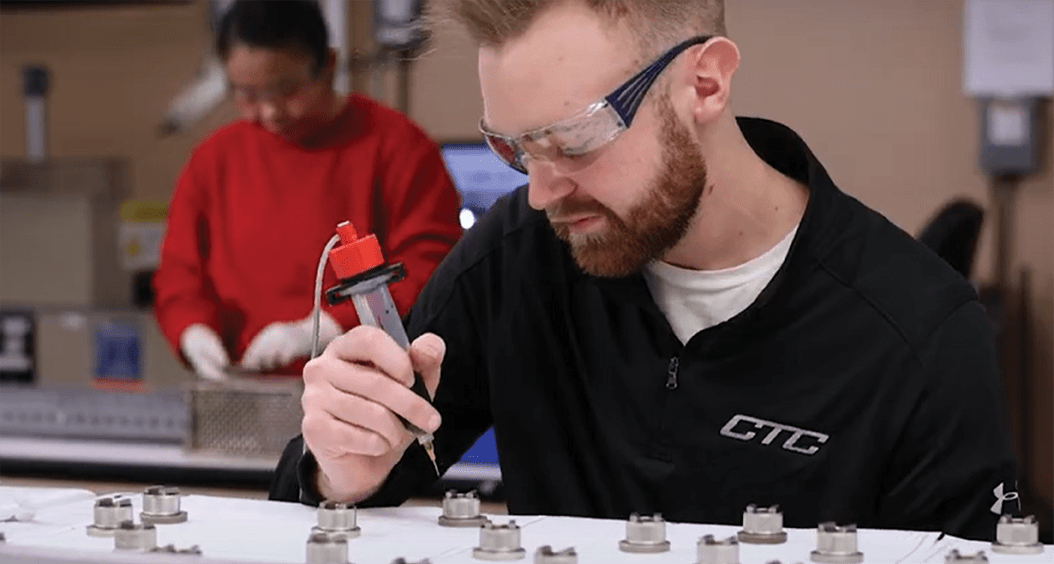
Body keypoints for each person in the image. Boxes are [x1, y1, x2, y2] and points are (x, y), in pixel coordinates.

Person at [269, 0, 1019, 541]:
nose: (541, 192)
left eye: (575, 141)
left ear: (705, 84)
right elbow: (348, 484)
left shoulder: (918, 332)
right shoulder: (515, 257)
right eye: (515, 148)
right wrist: (341, 467)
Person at [154, 0, 462, 380]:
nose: (270, 112)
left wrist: (327, 327)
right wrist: (192, 331)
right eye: (248, 95)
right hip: (247, 388)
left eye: (286, 90)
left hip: (362, 387)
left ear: (328, 66)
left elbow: (429, 267)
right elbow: (179, 273)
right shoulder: (212, 162)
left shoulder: (398, 148)